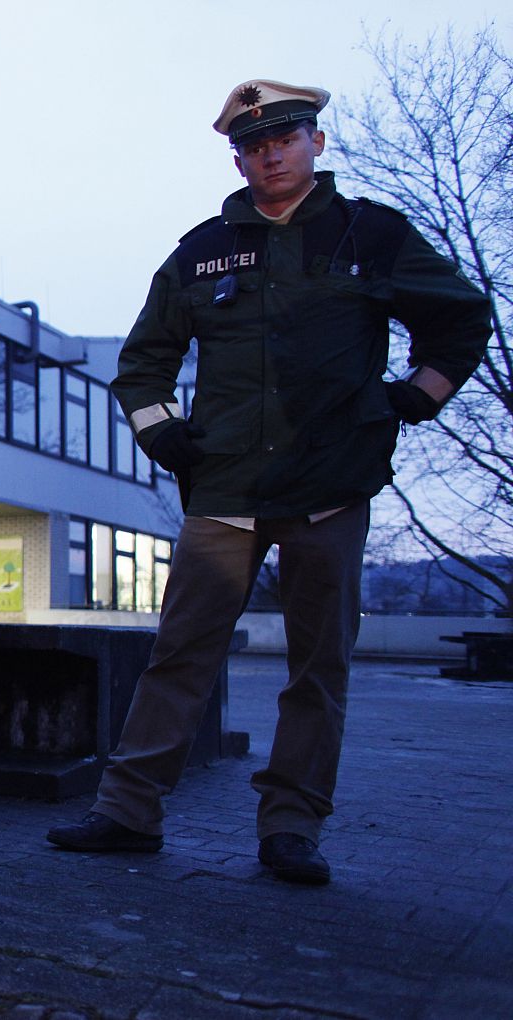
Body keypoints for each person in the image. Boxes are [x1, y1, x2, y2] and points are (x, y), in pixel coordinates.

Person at [47, 80, 492, 884]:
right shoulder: (202, 249)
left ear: (315, 143)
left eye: (284, 138)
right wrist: (166, 436)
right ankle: (127, 811)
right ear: (238, 156)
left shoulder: (372, 235)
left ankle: (291, 828)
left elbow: (462, 317)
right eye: (252, 144)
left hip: (329, 488)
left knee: (317, 666)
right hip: (226, 494)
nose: (269, 153)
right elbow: (143, 362)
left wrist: (415, 397)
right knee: (180, 654)